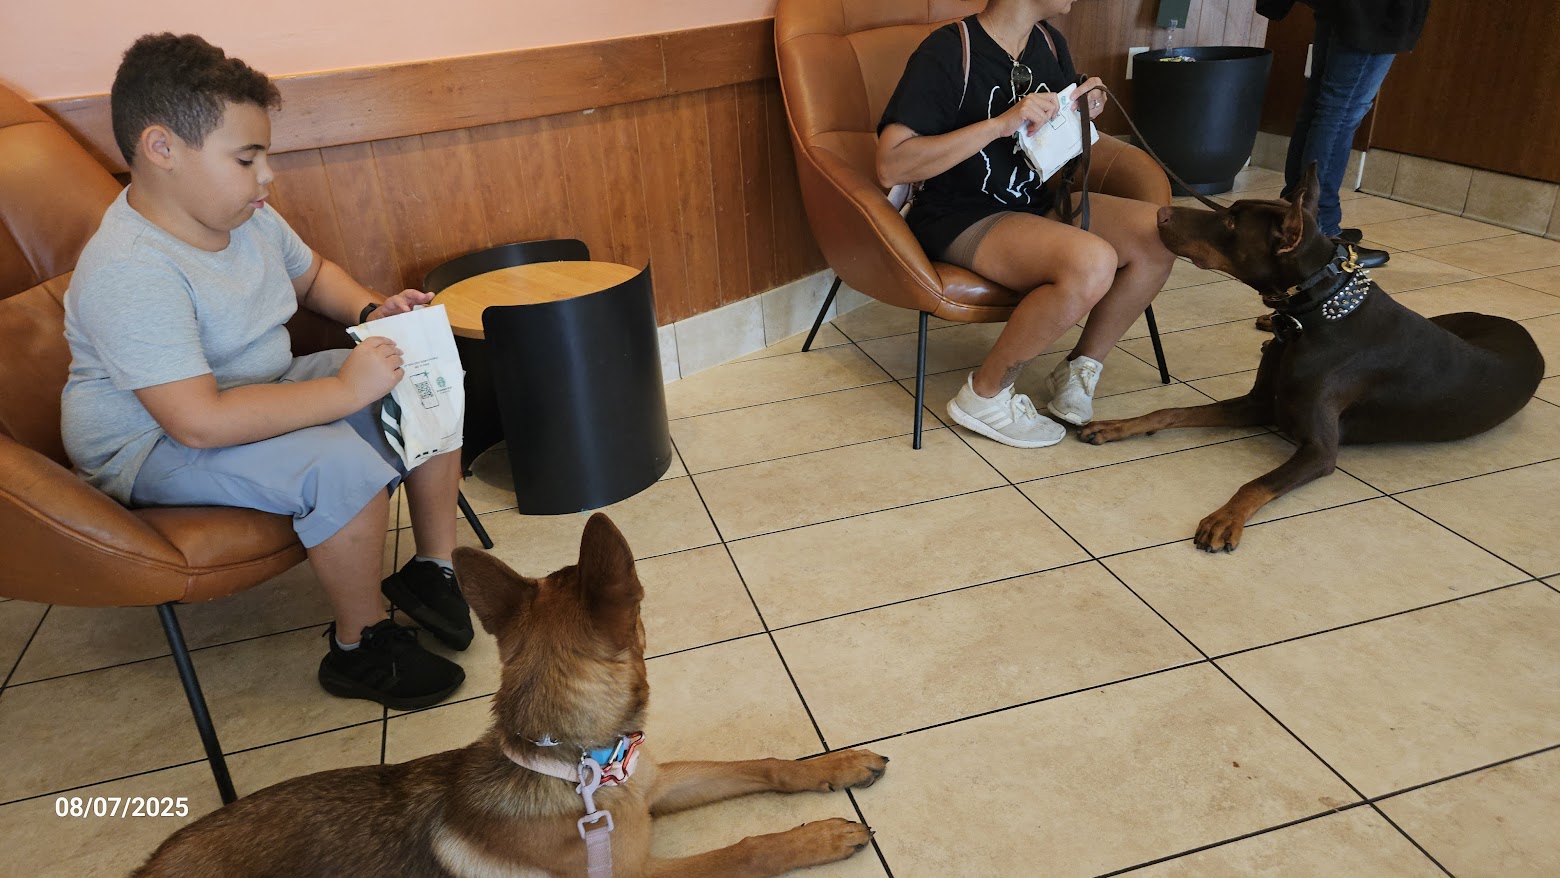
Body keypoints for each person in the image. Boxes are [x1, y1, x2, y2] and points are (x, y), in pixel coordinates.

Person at [61, 33, 472, 710]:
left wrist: (374, 313)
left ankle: (434, 569)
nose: (266, 177)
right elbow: (197, 423)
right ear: (162, 149)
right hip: (152, 443)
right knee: (337, 463)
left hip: (250, 391)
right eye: (247, 158)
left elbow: (313, 277)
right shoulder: (129, 269)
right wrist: (343, 390)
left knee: (420, 369)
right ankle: (359, 647)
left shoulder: (246, 215)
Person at [876, 0, 1175, 449]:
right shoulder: (948, 51)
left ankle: (1079, 368)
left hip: (1034, 202)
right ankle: (984, 395)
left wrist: (1084, 103)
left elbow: (1055, 132)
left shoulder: (1048, 44)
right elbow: (891, 165)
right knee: (1092, 262)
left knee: (1161, 233)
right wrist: (1001, 124)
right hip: (959, 214)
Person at [1260, 0, 1430, 255]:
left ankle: (1293, 214)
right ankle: (1319, 227)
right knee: (1340, 111)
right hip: (1372, 12)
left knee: (1322, 105)